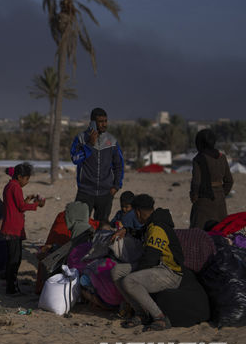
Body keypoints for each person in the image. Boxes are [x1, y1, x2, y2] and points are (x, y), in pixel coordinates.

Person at [110, 194, 184, 331]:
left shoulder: (157, 228)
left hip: (170, 273)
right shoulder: (150, 224)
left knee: (129, 281)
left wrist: (133, 276)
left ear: (137, 212)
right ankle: (141, 313)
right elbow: (141, 233)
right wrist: (127, 230)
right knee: (116, 271)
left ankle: (160, 317)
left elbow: (150, 259)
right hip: (157, 267)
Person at [70, 107, 124, 225]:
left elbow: (119, 165)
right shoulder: (80, 139)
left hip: (106, 192)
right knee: (80, 225)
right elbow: (75, 159)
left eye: (105, 121)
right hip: (85, 191)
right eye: (101, 122)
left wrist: (116, 186)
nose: (104, 124)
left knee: (102, 227)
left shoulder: (112, 141)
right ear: (92, 123)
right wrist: (89, 145)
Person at [1, 163, 45, 294]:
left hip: (11, 226)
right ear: (20, 177)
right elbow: (21, 207)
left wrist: (27, 200)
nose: (26, 182)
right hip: (13, 228)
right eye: (26, 179)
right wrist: (36, 204)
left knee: (13, 258)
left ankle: (11, 286)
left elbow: (17, 204)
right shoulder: (15, 187)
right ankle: (12, 288)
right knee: (14, 259)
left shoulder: (10, 185)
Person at [190, 129, 234, 230]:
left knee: (198, 233)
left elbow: (196, 181)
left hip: (203, 200)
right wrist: (222, 194)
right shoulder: (222, 157)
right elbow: (229, 181)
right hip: (220, 201)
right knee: (220, 232)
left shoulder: (198, 158)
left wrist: (194, 196)